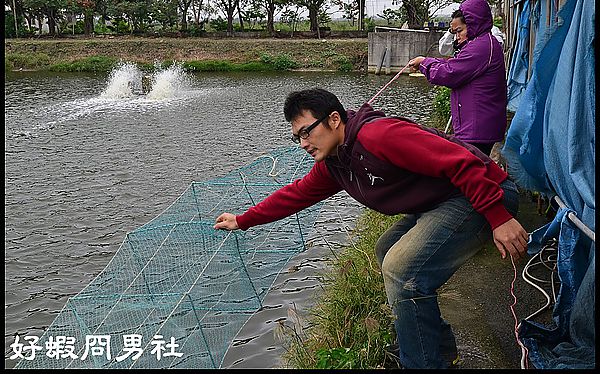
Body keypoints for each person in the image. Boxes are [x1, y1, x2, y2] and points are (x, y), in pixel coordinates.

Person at [214, 88, 529, 369]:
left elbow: (462, 162)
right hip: (442, 202)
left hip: (480, 195)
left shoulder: (379, 136)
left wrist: (498, 217)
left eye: (307, 132)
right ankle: (436, 348)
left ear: (334, 119)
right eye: (297, 137)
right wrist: (243, 220)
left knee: (402, 270)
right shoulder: (335, 163)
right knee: (384, 250)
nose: (303, 143)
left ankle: (421, 361)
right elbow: (296, 194)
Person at [408, 0, 507, 156]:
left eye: (459, 31)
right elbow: (456, 65)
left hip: (478, 128)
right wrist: (427, 61)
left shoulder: (480, 47)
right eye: (454, 32)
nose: (457, 37)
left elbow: (449, 73)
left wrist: (424, 63)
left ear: (474, 24)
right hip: (477, 125)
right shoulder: (482, 44)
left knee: (471, 173)